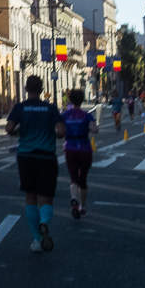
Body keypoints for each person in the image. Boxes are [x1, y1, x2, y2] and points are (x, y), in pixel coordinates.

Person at [6, 75, 66, 253]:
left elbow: (9, 129)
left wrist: (20, 130)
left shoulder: (20, 107)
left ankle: (36, 240)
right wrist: (49, 133)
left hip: (26, 156)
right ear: (41, 90)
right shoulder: (50, 108)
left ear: (26, 89)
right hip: (47, 156)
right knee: (46, 197)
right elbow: (62, 132)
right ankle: (44, 222)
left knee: (30, 197)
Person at [62, 89, 97, 219]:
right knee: (83, 179)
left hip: (70, 148)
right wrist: (88, 127)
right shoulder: (87, 115)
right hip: (84, 149)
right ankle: (82, 206)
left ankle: (73, 199)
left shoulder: (65, 115)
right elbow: (95, 129)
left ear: (70, 100)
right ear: (82, 101)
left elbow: (59, 131)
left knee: (73, 179)